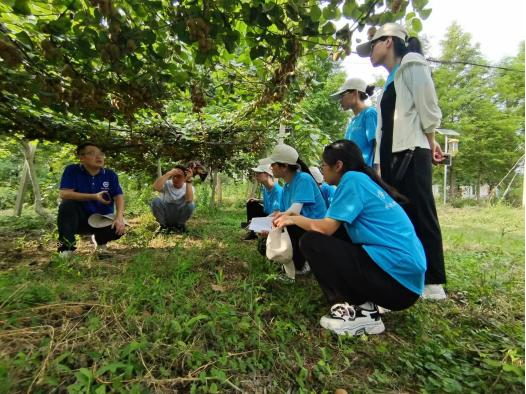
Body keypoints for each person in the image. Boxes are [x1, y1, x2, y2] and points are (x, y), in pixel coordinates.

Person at [274, 140, 426, 336]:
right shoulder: (360, 180)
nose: (322, 170)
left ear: (338, 166)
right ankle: (364, 304)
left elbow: (325, 228)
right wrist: (294, 218)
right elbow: (334, 228)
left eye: (324, 166)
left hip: (398, 283)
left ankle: (359, 311)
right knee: (332, 235)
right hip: (404, 281)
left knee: (312, 241)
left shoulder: (352, 180)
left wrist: (294, 220)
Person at [356, 23, 447, 300]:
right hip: (393, 156)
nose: (370, 51)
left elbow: (428, 106)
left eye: (372, 45)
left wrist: (431, 142)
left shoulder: (412, 63)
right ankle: (410, 273)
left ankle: (433, 281)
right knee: (402, 216)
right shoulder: (390, 80)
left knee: (421, 211)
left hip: (411, 151)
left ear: (388, 42)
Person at [261, 144, 327, 275]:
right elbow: (281, 211)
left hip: (313, 229)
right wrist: (263, 223)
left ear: (284, 166)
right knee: (264, 247)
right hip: (299, 225)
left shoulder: (304, 179)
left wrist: (272, 224)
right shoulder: (286, 186)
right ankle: (295, 261)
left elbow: (294, 211)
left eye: (273, 164)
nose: (270, 167)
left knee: (288, 225)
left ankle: (303, 264)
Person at [57, 143, 126, 258]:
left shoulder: (110, 174)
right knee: (66, 205)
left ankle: (101, 244)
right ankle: (65, 249)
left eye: (101, 154)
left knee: (118, 227)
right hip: (78, 219)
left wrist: (119, 217)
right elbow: (64, 194)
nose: (99, 157)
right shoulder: (72, 170)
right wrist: (94, 196)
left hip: (101, 219)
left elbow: (118, 196)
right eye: (92, 153)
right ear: (81, 157)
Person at [330, 78, 378, 166]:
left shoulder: (369, 113)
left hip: (366, 174)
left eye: (342, 95)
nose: (340, 100)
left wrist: (378, 173)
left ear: (355, 93)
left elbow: (378, 144)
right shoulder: (352, 122)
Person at [243, 161, 283, 240]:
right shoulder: (265, 188)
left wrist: (258, 222)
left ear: (268, 174)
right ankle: (252, 233)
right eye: (256, 173)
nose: (256, 176)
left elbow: (277, 212)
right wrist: (257, 200)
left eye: (259, 173)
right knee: (251, 203)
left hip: (274, 218)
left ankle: (255, 225)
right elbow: (268, 201)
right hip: (267, 214)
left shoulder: (278, 190)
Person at [151, 165, 195, 233]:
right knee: (156, 201)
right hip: (166, 215)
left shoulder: (188, 187)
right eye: (173, 176)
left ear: (185, 178)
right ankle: (162, 226)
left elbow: (189, 200)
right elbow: (155, 188)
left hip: (179, 216)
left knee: (191, 204)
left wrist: (189, 181)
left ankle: (180, 226)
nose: (175, 179)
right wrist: (169, 173)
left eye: (179, 176)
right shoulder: (167, 183)